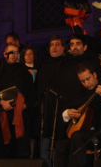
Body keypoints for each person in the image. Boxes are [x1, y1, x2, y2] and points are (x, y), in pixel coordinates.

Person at [55, 62, 101, 167]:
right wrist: (67, 113)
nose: (86, 84)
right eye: (82, 81)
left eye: (88, 79)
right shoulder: (80, 92)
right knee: (60, 146)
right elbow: (67, 108)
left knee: (77, 136)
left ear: (95, 75)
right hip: (83, 134)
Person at [0, 44, 35, 158]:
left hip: (20, 114)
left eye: (16, 52)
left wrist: (25, 105)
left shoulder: (24, 71)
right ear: (4, 54)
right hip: (3, 114)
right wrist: (1, 102)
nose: (14, 55)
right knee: (5, 151)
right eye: (11, 52)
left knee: (21, 150)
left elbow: (31, 92)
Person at [35, 35, 67, 167]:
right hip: (46, 110)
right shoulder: (44, 64)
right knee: (45, 144)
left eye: (57, 44)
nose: (54, 47)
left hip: (63, 110)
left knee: (61, 147)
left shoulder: (67, 63)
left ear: (63, 47)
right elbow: (38, 88)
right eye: (52, 44)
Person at [20, 46, 38, 158]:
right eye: (26, 54)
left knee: (34, 132)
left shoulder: (39, 69)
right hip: (24, 105)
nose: (29, 56)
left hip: (35, 104)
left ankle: (32, 155)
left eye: (31, 53)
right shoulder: (20, 70)